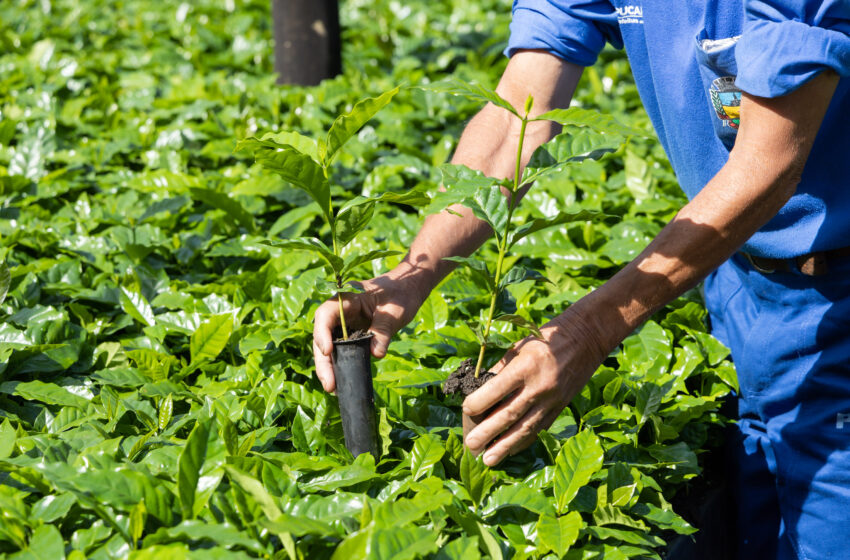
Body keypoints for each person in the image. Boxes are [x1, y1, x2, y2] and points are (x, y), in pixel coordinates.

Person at [312, 1, 850, 558]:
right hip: (734, 278)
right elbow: (520, 110)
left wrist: (587, 332)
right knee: (748, 528)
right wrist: (408, 275)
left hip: (838, 305)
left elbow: (769, 164)